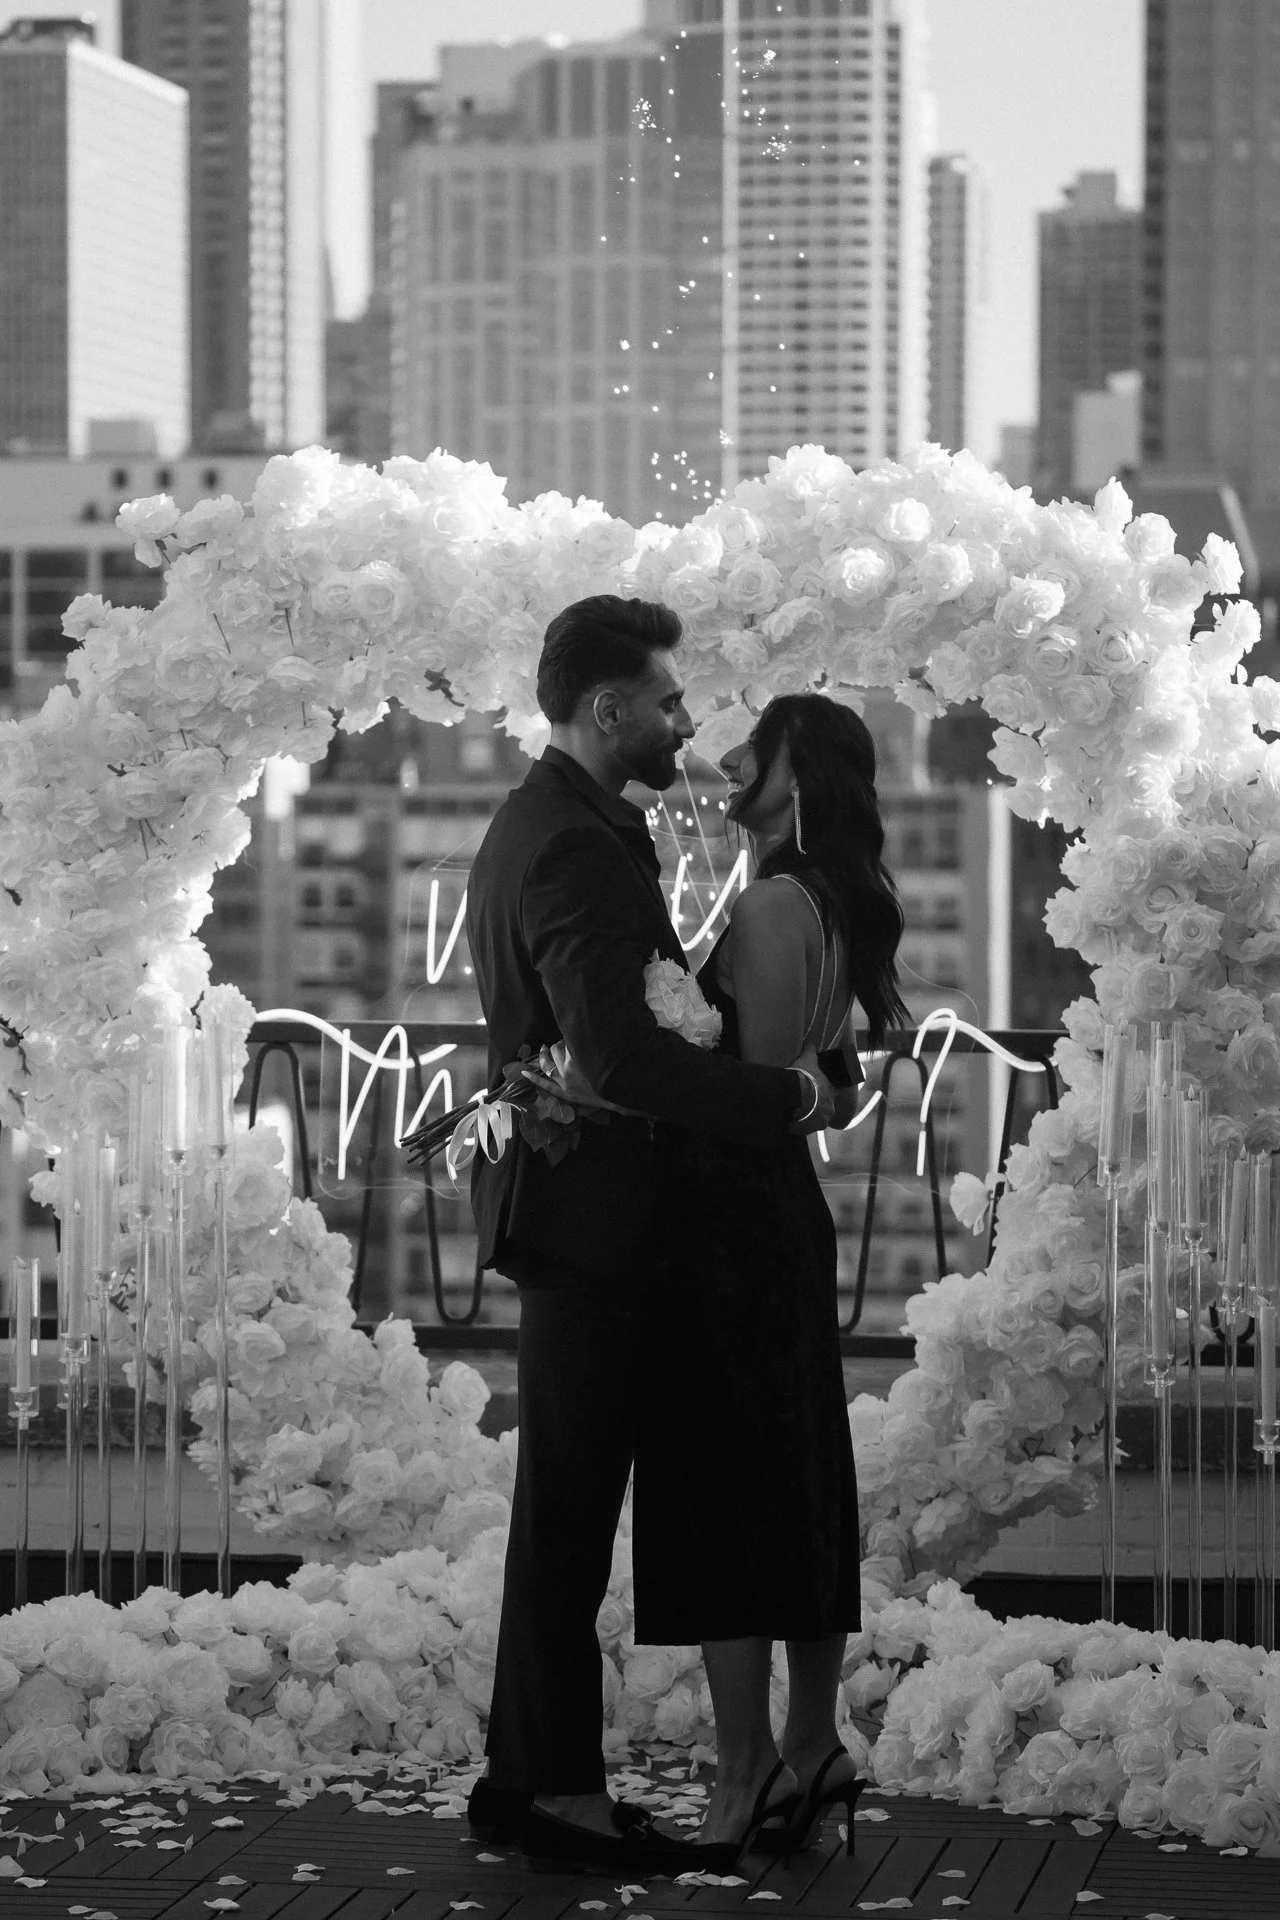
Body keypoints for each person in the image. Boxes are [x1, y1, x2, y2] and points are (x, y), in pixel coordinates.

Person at [461, 597, 837, 1873]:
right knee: (567, 1513)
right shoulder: (569, 843)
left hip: (584, 1217)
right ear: (607, 709)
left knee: (561, 1509)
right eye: (669, 700)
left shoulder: (559, 820)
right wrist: (787, 1099)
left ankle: (530, 1776)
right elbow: (620, 1054)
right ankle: (556, 1794)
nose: (686, 720)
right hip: (599, 1222)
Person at [539, 693, 909, 1869]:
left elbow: (748, 1097)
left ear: (797, 780)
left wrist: (604, 1086)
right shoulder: (827, 902)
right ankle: (810, 1748)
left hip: (728, 1230)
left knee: (721, 1497)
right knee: (793, 1483)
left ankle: (747, 1768)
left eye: (760, 745)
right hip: (777, 1225)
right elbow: (820, 1071)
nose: (729, 753)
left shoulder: (762, 907)